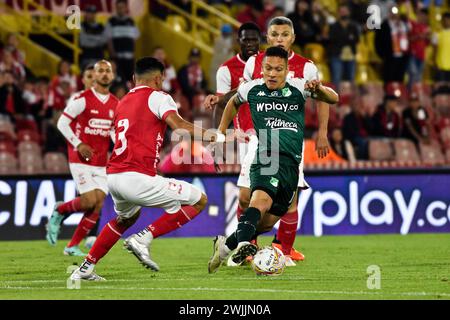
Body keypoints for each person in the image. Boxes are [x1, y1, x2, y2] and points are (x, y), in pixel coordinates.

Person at [69, 57, 220, 281]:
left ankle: (85, 268)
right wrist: (215, 135)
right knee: (199, 200)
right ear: (159, 79)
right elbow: (178, 126)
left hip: (114, 176)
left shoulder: (122, 102)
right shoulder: (159, 97)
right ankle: (144, 238)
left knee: (126, 219)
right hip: (136, 176)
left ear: (133, 79)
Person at [205, 16, 330, 265]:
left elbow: (323, 97)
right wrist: (221, 117)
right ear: (268, 37)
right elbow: (243, 92)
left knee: (284, 205)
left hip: (290, 142)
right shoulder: (255, 62)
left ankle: (280, 249)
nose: (279, 39)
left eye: (284, 35)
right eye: (274, 35)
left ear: (292, 38)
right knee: (248, 196)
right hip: (259, 139)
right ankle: (247, 247)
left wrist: (322, 132)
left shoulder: (306, 67)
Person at [46, 60, 118, 256]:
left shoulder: (115, 104)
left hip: (101, 161)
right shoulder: (82, 99)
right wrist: (78, 144)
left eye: (107, 71)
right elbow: (62, 123)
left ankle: (71, 246)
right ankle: (60, 210)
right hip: (80, 158)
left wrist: (121, 147)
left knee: (98, 203)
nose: (104, 74)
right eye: (100, 71)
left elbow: (112, 131)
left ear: (112, 76)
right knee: (88, 201)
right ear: (93, 76)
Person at [106, 0, 140, 83]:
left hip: (129, 58)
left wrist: (133, 53)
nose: (120, 9)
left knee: (130, 80)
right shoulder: (111, 21)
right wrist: (113, 54)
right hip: (117, 57)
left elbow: (134, 39)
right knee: (118, 80)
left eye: (122, 7)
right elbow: (108, 39)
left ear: (126, 8)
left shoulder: (131, 22)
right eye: (118, 7)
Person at [79, 5, 107, 70]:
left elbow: (103, 41)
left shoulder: (101, 26)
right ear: (86, 14)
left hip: (99, 58)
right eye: (89, 13)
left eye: (93, 13)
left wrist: (90, 39)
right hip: (86, 59)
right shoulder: (82, 25)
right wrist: (97, 40)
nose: (91, 15)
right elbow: (84, 42)